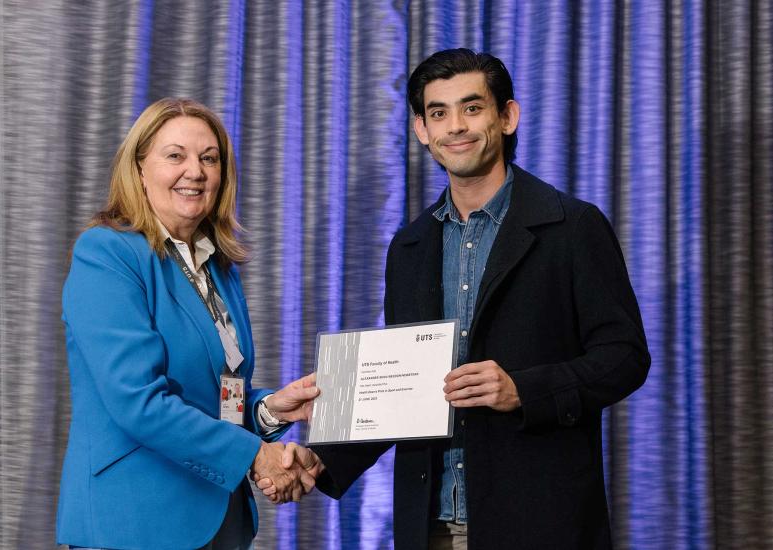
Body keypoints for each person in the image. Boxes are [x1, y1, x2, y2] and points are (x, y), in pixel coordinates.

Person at [260, 49, 651, 549]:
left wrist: (523, 390)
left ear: (507, 116)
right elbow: (406, 391)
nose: (456, 127)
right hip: (429, 527)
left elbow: (625, 358)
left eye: (472, 108)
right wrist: (324, 460)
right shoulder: (410, 245)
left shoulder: (572, 226)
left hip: (538, 522)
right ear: (422, 129)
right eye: (438, 113)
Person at [57, 98, 319, 550]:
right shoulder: (107, 254)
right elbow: (138, 401)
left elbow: (220, 397)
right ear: (139, 168)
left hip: (219, 519)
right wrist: (256, 456)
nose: (195, 171)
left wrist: (272, 409)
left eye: (209, 158)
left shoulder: (216, 267)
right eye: (175, 155)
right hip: (135, 522)